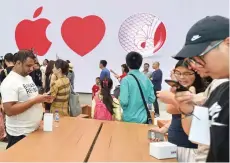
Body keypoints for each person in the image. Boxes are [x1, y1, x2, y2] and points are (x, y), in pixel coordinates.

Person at [173, 15, 229, 162]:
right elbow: (203, 140)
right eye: (191, 60)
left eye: (199, 57)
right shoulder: (219, 89)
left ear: (228, 44)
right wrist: (188, 110)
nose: (193, 65)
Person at [153, 60, 206, 162]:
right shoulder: (183, 91)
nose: (182, 77)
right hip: (175, 144)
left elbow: (172, 109)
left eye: (187, 73)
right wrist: (164, 128)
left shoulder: (194, 93)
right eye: (178, 73)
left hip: (188, 148)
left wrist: (172, 97)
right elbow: (177, 116)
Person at [0, 50, 53, 149]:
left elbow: (30, 97)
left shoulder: (27, 77)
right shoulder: (10, 82)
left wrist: (42, 98)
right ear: (18, 63)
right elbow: (9, 110)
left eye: (32, 66)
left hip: (32, 130)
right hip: (19, 134)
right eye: (28, 66)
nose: (31, 69)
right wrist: (35, 101)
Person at [120, 52, 155, 124]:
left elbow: (124, 101)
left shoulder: (125, 80)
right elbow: (151, 99)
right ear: (140, 64)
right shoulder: (147, 79)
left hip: (128, 119)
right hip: (143, 119)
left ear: (127, 64)